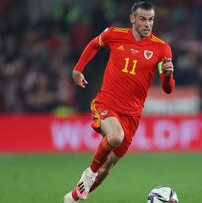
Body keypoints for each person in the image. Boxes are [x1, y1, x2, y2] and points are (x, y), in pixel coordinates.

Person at [64, 1, 175, 202]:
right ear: (132, 19)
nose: (147, 24)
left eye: (151, 19)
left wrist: (167, 75)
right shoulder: (115, 34)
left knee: (106, 169)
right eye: (142, 19)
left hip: (132, 115)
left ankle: (72, 198)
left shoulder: (161, 48)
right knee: (115, 137)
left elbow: (168, 89)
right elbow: (94, 44)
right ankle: (89, 173)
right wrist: (78, 69)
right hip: (106, 103)